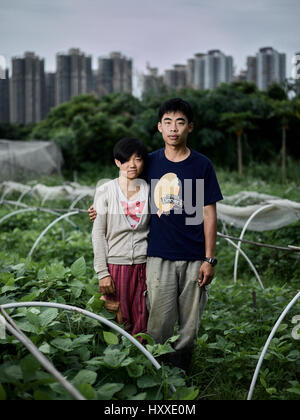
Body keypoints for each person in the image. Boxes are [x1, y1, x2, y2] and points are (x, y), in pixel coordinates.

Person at [89, 98, 223, 371]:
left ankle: (181, 374)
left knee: (189, 325)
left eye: (180, 122)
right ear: (159, 127)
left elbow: (209, 213)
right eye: (168, 122)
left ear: (190, 127)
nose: (174, 128)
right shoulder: (149, 162)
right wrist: (98, 207)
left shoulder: (202, 165)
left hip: (194, 257)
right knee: (158, 323)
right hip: (158, 255)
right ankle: (156, 373)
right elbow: (123, 184)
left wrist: (209, 259)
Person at [92, 137, 150, 337]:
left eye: (138, 159)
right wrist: (102, 272)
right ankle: (118, 365)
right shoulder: (105, 191)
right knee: (117, 319)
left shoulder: (150, 191)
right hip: (116, 266)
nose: (132, 165)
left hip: (145, 265)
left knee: (144, 319)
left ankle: (144, 363)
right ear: (117, 162)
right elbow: (98, 234)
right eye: (126, 160)